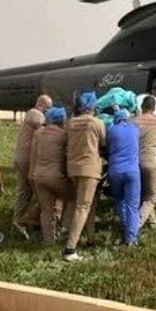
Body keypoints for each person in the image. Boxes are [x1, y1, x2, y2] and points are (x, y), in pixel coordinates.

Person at [62, 92, 106, 262]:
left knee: (89, 203)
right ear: (93, 106)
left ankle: (90, 238)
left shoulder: (71, 123)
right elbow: (103, 143)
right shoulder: (97, 123)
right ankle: (70, 248)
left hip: (73, 168)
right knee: (83, 206)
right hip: (90, 168)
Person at [29, 107, 75, 244]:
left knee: (46, 210)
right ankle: (65, 229)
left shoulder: (39, 133)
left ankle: (48, 242)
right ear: (62, 120)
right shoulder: (63, 135)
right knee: (73, 199)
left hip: (38, 175)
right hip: (56, 176)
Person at [12, 94, 52, 239]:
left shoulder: (31, 114)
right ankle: (31, 219)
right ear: (40, 104)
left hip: (22, 157)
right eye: (48, 107)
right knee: (39, 190)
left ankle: (18, 220)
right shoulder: (36, 115)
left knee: (24, 191)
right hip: (28, 158)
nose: (49, 110)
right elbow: (47, 130)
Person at [106, 109, 141, 245]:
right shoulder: (135, 130)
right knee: (132, 205)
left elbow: (108, 148)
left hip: (115, 171)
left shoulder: (111, 131)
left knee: (119, 199)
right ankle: (131, 239)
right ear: (127, 118)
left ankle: (126, 225)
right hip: (132, 171)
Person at [134, 95, 156, 230]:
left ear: (141, 107)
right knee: (151, 197)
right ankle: (135, 225)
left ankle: (152, 223)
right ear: (154, 108)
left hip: (135, 163)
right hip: (151, 162)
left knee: (142, 194)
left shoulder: (133, 121)